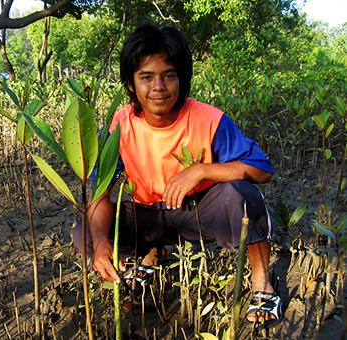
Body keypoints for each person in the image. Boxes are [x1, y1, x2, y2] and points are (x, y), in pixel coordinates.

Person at [72, 22, 283, 330]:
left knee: (242, 195)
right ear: (131, 84)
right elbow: (100, 192)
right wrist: (103, 241)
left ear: (181, 80)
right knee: (85, 232)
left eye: (169, 75)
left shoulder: (209, 119)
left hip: (199, 212)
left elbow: (262, 170)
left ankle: (262, 281)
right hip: (148, 214)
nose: (158, 86)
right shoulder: (120, 126)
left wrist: (200, 171)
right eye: (146, 77)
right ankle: (152, 253)